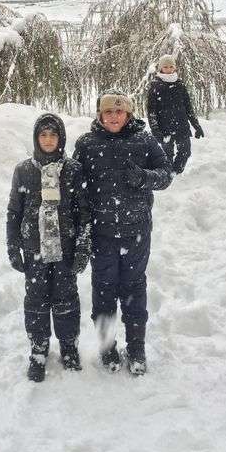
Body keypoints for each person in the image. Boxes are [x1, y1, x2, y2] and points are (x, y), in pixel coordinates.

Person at [73, 90, 171, 375]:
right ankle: (107, 348)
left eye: (119, 112)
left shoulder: (144, 140)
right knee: (103, 291)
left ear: (129, 114)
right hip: (101, 234)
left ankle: (137, 348)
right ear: (100, 115)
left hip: (136, 232)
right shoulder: (87, 144)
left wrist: (144, 177)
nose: (113, 117)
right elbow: (75, 187)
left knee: (134, 289)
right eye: (108, 112)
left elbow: (166, 174)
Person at [6, 113, 91, 382]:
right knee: (36, 302)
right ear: (36, 138)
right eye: (43, 135)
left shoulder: (74, 169)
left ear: (61, 138)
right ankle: (38, 351)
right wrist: (13, 246)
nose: (48, 140)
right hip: (34, 249)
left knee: (67, 300)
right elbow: (13, 212)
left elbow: (84, 213)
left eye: (53, 135)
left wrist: (82, 247)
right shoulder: (24, 170)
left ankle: (68, 347)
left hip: (65, 249)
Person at [146, 54, 205, 175]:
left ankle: (175, 173)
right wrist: (155, 130)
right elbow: (151, 112)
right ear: (161, 68)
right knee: (167, 155)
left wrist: (196, 126)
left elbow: (188, 108)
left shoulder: (180, 85)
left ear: (175, 68)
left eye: (171, 66)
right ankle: (167, 177)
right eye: (165, 67)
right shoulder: (155, 86)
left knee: (185, 152)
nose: (168, 69)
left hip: (181, 127)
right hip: (164, 129)